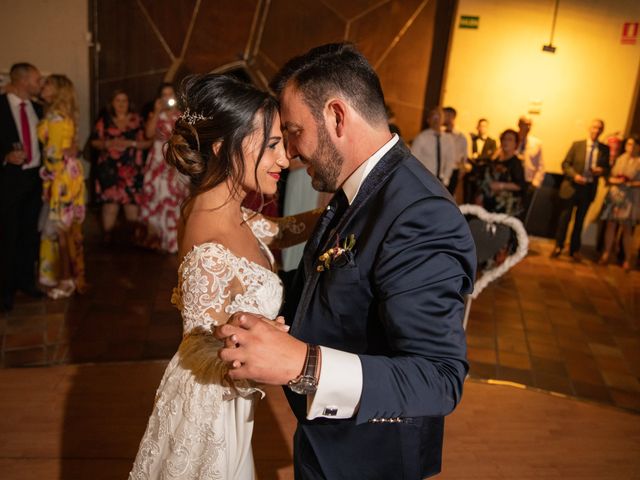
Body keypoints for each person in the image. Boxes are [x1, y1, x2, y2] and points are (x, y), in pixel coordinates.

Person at [215, 43, 476, 479]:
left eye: (295, 130)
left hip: (370, 456)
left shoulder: (419, 212)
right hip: (326, 438)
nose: (292, 152)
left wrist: (303, 365)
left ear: (336, 116)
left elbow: (440, 377)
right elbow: (331, 284)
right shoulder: (358, 188)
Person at [129, 74, 321, 479]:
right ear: (222, 148)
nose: (284, 160)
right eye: (271, 146)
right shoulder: (209, 245)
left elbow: (280, 230)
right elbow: (200, 353)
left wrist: (336, 210)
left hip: (233, 411)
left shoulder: (231, 210)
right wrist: (263, 341)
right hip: (211, 419)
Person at [0, 63, 44, 312]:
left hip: (34, 179)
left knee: (30, 235)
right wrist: (5, 156)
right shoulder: (0, 106)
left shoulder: (38, 108)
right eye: (37, 79)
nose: (40, 84)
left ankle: (27, 282)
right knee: (8, 236)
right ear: (23, 80)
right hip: (8, 180)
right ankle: (5, 291)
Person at [37, 74, 86, 297]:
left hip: (61, 178)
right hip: (66, 175)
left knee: (62, 231)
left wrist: (48, 179)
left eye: (47, 84)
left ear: (58, 91)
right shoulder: (61, 115)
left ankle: (66, 280)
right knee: (64, 230)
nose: (42, 87)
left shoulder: (56, 117)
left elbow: (54, 155)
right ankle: (68, 277)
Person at [90, 90, 151, 243]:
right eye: (118, 100)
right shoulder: (104, 120)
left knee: (132, 206)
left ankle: (134, 242)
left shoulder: (137, 120)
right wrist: (107, 144)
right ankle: (108, 239)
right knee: (110, 205)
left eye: (124, 100)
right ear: (112, 103)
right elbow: (94, 142)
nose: (121, 104)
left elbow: (148, 142)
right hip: (109, 169)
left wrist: (131, 143)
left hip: (132, 170)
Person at [137, 82, 188, 253]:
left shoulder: (181, 116)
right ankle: (156, 238)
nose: (167, 98)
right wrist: (158, 111)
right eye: (164, 95)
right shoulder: (155, 115)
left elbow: (185, 139)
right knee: (157, 197)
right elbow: (148, 134)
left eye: (170, 94)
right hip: (157, 159)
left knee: (173, 199)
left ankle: (173, 241)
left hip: (173, 157)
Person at [552, 119, 610, 261]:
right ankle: (558, 246)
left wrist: (601, 170)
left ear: (602, 131)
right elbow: (565, 164)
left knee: (580, 221)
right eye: (594, 127)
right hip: (572, 187)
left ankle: (574, 250)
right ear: (589, 128)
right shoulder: (577, 145)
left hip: (588, 189)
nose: (596, 130)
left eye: (599, 128)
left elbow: (607, 169)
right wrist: (575, 176)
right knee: (564, 218)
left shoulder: (604, 149)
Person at [599, 135, 640, 270]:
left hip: (630, 197)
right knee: (611, 224)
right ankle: (606, 253)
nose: (631, 147)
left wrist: (630, 183)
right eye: (628, 144)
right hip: (615, 195)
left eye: (633, 145)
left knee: (627, 228)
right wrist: (614, 181)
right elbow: (610, 176)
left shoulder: (639, 161)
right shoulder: (620, 159)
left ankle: (627, 259)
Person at [479, 129, 526, 216]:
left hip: (506, 206)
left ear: (516, 144)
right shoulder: (495, 160)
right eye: (504, 139)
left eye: (510, 139)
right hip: (489, 203)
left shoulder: (516, 163)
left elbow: (520, 185)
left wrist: (501, 186)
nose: (506, 142)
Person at [410, 106, 457, 189]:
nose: (436, 120)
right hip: (424, 180)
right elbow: (413, 160)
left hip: (441, 181)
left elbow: (450, 160)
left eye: (439, 116)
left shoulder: (448, 139)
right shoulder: (421, 137)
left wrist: (445, 180)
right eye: (434, 117)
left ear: (442, 120)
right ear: (428, 120)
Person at [516, 115, 544, 217]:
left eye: (529, 125)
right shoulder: (511, 139)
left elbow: (540, 166)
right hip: (512, 180)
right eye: (525, 124)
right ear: (519, 125)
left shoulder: (536, 143)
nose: (527, 127)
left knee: (523, 210)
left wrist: (535, 183)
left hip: (528, 182)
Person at [465, 118, 497, 203]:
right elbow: (467, 153)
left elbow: (490, 157)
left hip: (484, 175)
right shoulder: (471, 139)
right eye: (481, 126)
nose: (483, 128)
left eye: (485, 126)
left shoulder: (492, 142)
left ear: (487, 128)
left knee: (482, 198)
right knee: (468, 196)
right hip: (471, 173)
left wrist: (477, 157)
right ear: (477, 127)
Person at [442, 106, 468, 197]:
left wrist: (460, 173)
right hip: (439, 168)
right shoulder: (438, 133)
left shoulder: (461, 136)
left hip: (453, 170)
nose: (444, 117)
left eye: (446, 115)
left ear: (452, 117)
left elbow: (464, 157)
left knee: (448, 196)